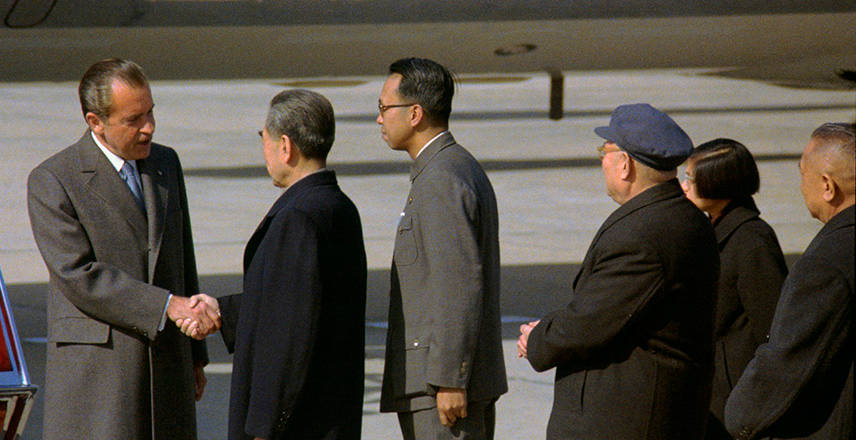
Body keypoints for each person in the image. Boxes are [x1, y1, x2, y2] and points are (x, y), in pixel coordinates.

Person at [26, 58, 219, 440]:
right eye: (133, 120)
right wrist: (168, 306)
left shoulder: (166, 163)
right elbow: (78, 276)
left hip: (166, 365)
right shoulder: (53, 181)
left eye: (150, 113)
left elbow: (181, 257)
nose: (148, 128)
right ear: (95, 121)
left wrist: (195, 356)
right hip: (102, 375)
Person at [518, 103, 720, 439]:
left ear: (625, 165)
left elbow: (592, 321)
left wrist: (539, 339)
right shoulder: (679, 216)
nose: (602, 161)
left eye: (605, 151)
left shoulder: (644, 234)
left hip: (627, 421)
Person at [181, 89, 367, 440]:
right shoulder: (337, 206)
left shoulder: (297, 217)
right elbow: (299, 301)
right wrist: (224, 311)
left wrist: (265, 428)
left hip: (297, 426)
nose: (263, 149)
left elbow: (289, 335)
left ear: (286, 146)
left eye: (263, 139)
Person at [376, 57, 507, 439]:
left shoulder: (441, 179)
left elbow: (459, 282)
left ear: (415, 113)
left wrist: (450, 379)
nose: (380, 119)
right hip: (443, 382)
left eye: (385, 108)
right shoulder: (451, 168)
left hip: (440, 390)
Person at [725, 122, 855, 439]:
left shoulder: (825, 265)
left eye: (801, 172)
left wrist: (741, 417)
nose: (800, 184)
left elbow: (788, 362)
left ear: (828, 185)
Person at [680, 138, 788, 439]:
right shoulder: (710, 227)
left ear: (719, 183)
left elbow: (774, 327)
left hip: (733, 398)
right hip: (707, 389)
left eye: (691, 178)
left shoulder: (752, 240)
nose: (684, 186)